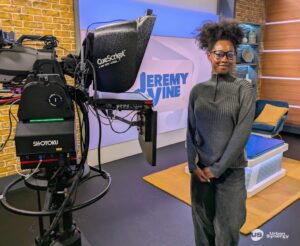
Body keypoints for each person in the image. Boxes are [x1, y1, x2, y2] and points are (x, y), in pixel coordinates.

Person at [186, 20, 256, 246]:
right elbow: (190, 130)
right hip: (200, 175)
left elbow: (242, 131)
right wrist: (193, 166)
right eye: (219, 53)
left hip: (231, 174)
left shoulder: (243, 88)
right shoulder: (198, 91)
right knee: (202, 227)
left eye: (230, 54)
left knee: (227, 231)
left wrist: (216, 169)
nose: (224, 59)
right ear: (209, 55)